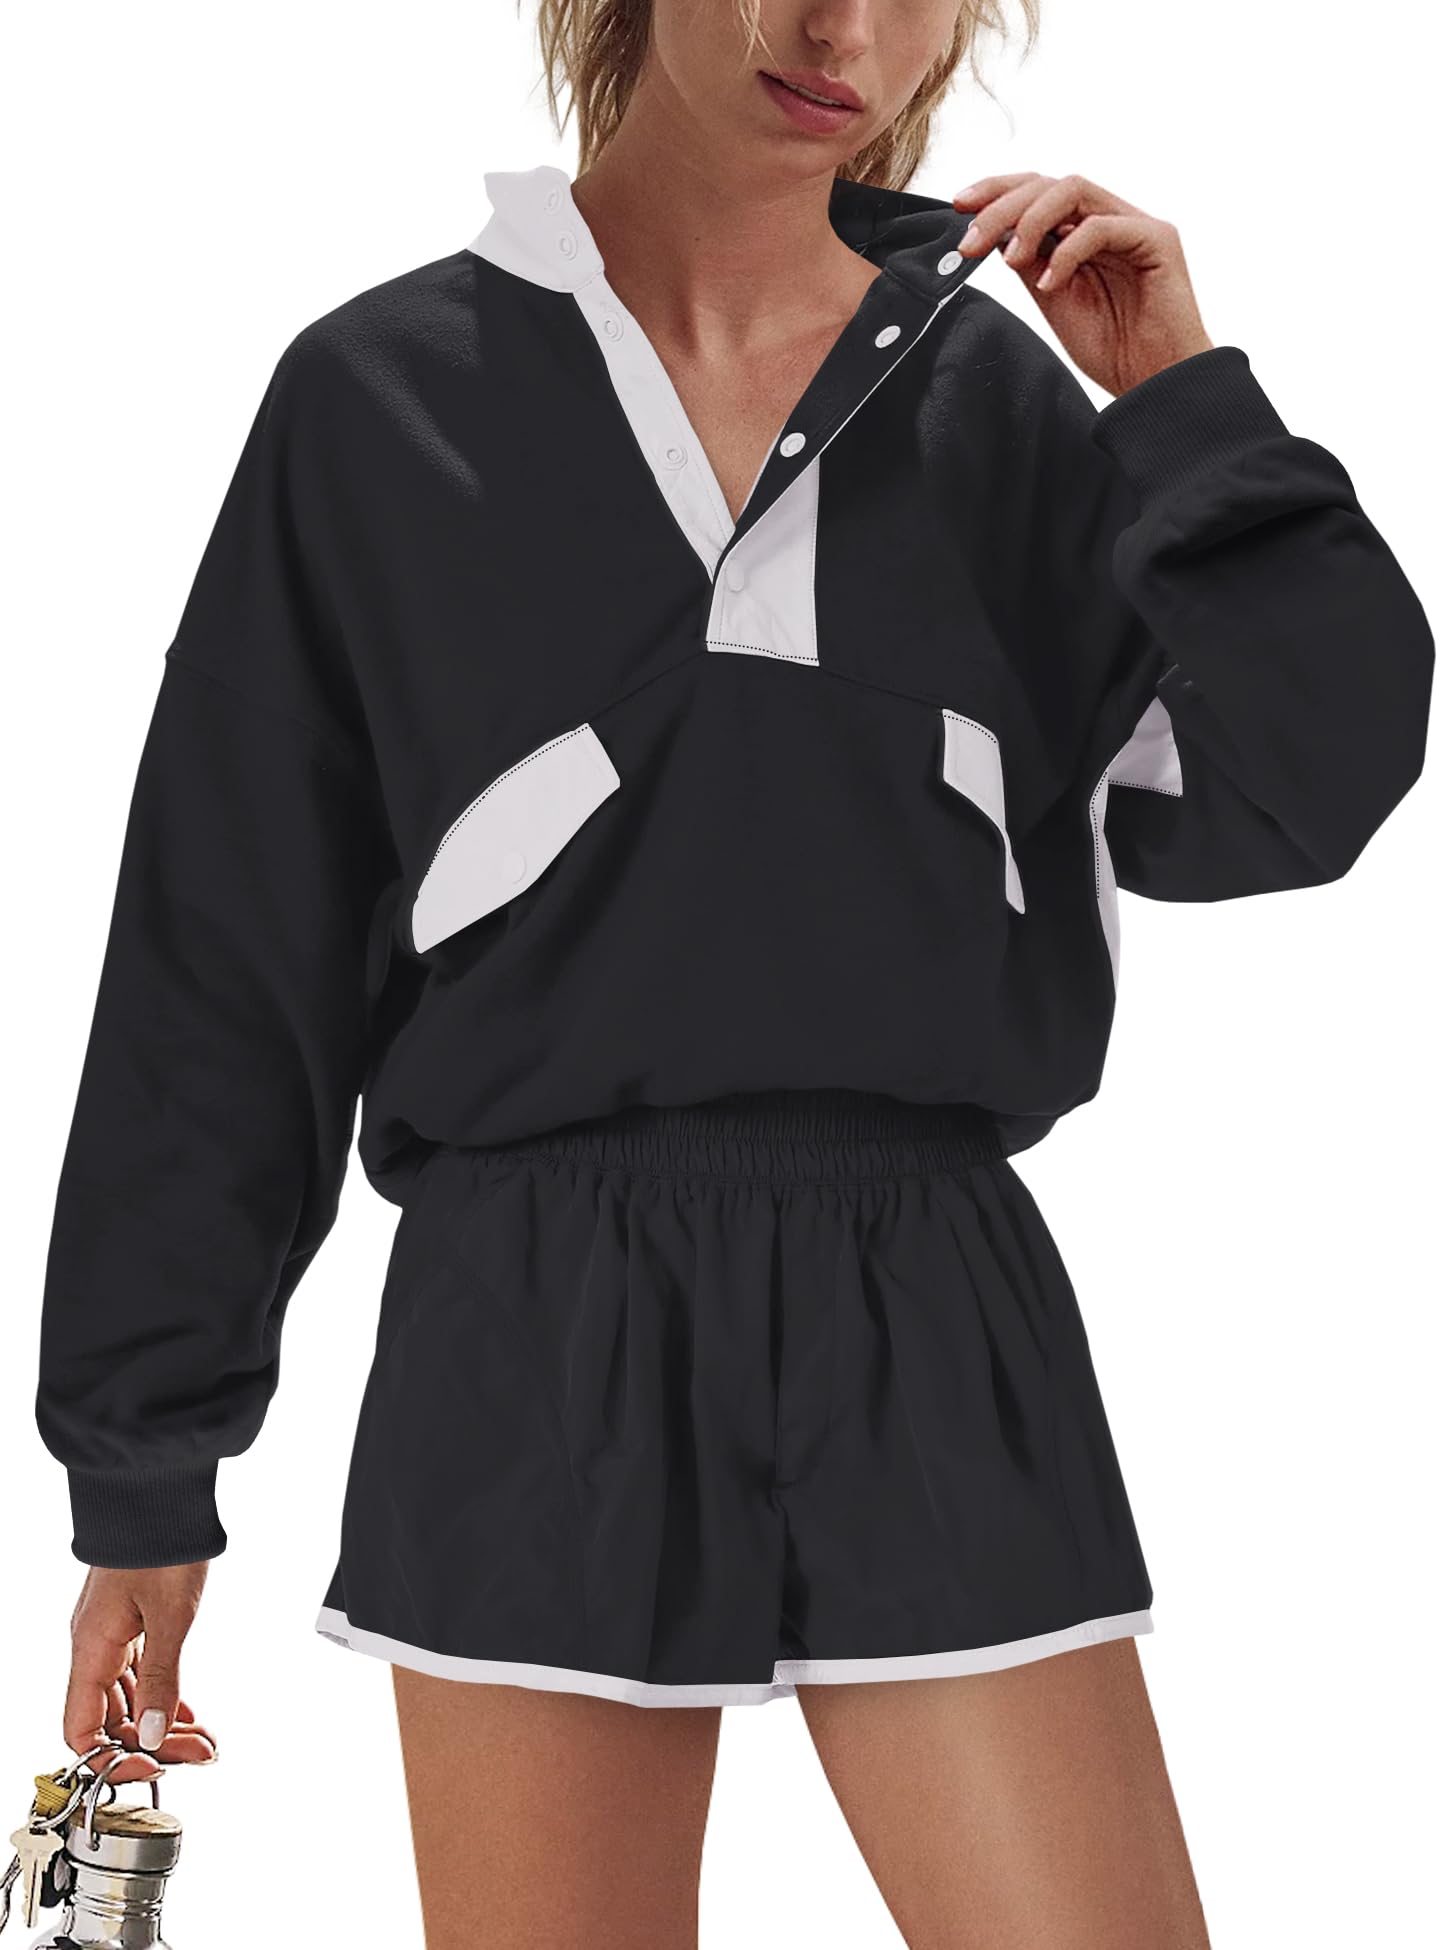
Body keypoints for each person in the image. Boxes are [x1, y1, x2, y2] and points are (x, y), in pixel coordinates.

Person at [36, 0, 1434, 1942]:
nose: (836, 25)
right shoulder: (378, 398)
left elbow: (1307, 783)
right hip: (528, 1318)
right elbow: (224, 955)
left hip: (925, 1298)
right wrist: (144, 1463)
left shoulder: (999, 409)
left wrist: (1181, 406)